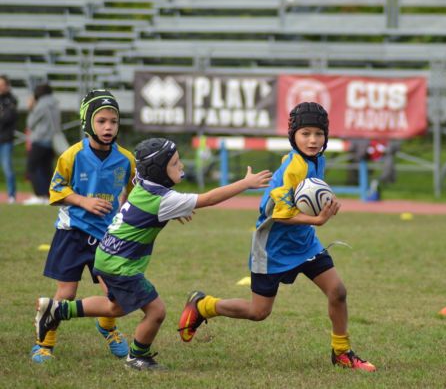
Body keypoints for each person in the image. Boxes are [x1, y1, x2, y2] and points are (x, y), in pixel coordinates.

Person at [34, 137, 272, 371]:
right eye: (175, 163)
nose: (181, 166)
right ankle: (138, 357)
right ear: (159, 171)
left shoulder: (143, 184)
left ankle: (57, 310)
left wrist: (174, 210)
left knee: (115, 307)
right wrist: (245, 183)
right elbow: (208, 199)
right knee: (156, 311)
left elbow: (153, 207)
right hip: (121, 265)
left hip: (107, 256)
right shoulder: (162, 199)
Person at [178, 101, 377, 372]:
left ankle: (342, 352)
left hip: (304, 241)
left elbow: (308, 198)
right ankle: (203, 306)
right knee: (258, 312)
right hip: (273, 246)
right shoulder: (293, 168)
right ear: (293, 134)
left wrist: (323, 203)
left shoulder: (318, 159)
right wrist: (318, 218)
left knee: (338, 291)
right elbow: (281, 215)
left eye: (319, 134)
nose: (313, 140)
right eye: (305, 133)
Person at [31, 89, 136, 363]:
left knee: (116, 297)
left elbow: (139, 190)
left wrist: (167, 207)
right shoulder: (71, 156)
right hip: (73, 233)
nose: (108, 127)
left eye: (113, 121)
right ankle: (45, 343)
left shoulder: (126, 159)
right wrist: (83, 202)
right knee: (66, 293)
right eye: (101, 121)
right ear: (88, 122)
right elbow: (55, 190)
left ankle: (107, 326)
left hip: (108, 237)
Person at [24, 83, 60, 205]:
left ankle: (39, 195)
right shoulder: (55, 104)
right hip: (51, 141)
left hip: (40, 140)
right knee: (47, 170)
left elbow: (30, 122)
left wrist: (31, 108)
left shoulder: (41, 105)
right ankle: (50, 195)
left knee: (31, 168)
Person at [0, 75, 18, 204]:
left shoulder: (11, 100)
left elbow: (7, 118)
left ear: (7, 86)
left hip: (6, 140)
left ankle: (12, 195)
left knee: (7, 168)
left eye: (2, 85)